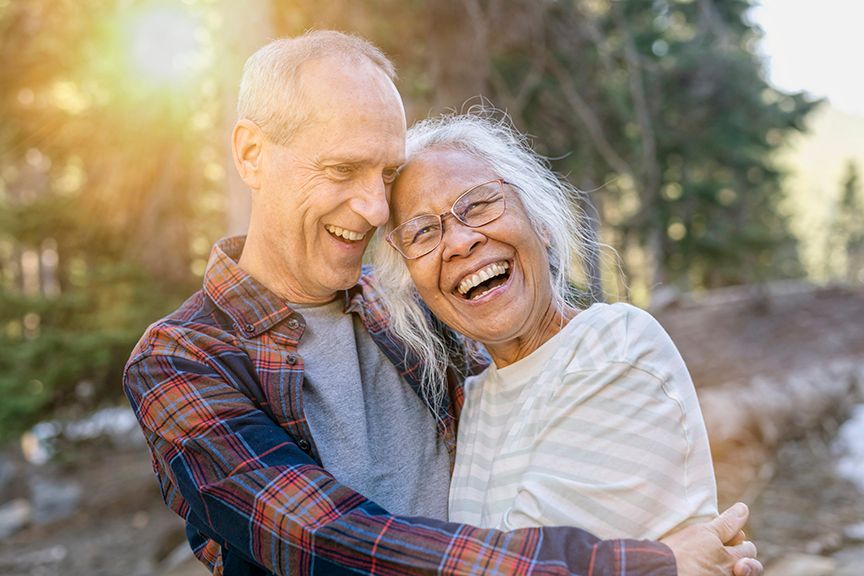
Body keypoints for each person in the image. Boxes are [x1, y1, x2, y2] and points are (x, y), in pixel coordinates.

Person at [123, 30, 762, 575]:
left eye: (385, 174)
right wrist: (641, 563)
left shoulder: (400, 311)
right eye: (344, 171)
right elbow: (327, 541)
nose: (377, 209)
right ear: (252, 154)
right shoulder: (182, 358)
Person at [372, 111, 717, 541]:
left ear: (541, 224)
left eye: (478, 205)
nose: (460, 242)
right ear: (414, 283)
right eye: (422, 233)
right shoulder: (477, 398)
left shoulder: (614, 347)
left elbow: (533, 564)